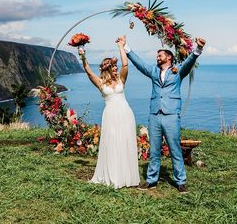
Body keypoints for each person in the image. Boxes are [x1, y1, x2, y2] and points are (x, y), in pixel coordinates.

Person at [118, 35, 206, 194]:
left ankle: (181, 182)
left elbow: (189, 63)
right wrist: (126, 47)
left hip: (171, 115)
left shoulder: (177, 71)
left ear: (169, 57)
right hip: (154, 115)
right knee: (154, 150)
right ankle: (151, 180)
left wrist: (198, 48)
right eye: (157, 56)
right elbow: (140, 64)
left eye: (160, 55)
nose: (157, 57)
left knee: (175, 149)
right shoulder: (153, 71)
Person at [78, 37, 140, 189]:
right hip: (110, 115)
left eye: (115, 67)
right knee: (112, 143)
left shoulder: (121, 80)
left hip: (125, 113)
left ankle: (127, 176)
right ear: (106, 68)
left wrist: (121, 46)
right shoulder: (100, 83)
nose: (115, 69)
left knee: (125, 141)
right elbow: (87, 70)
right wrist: (82, 55)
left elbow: (125, 64)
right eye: (112, 67)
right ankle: (113, 176)